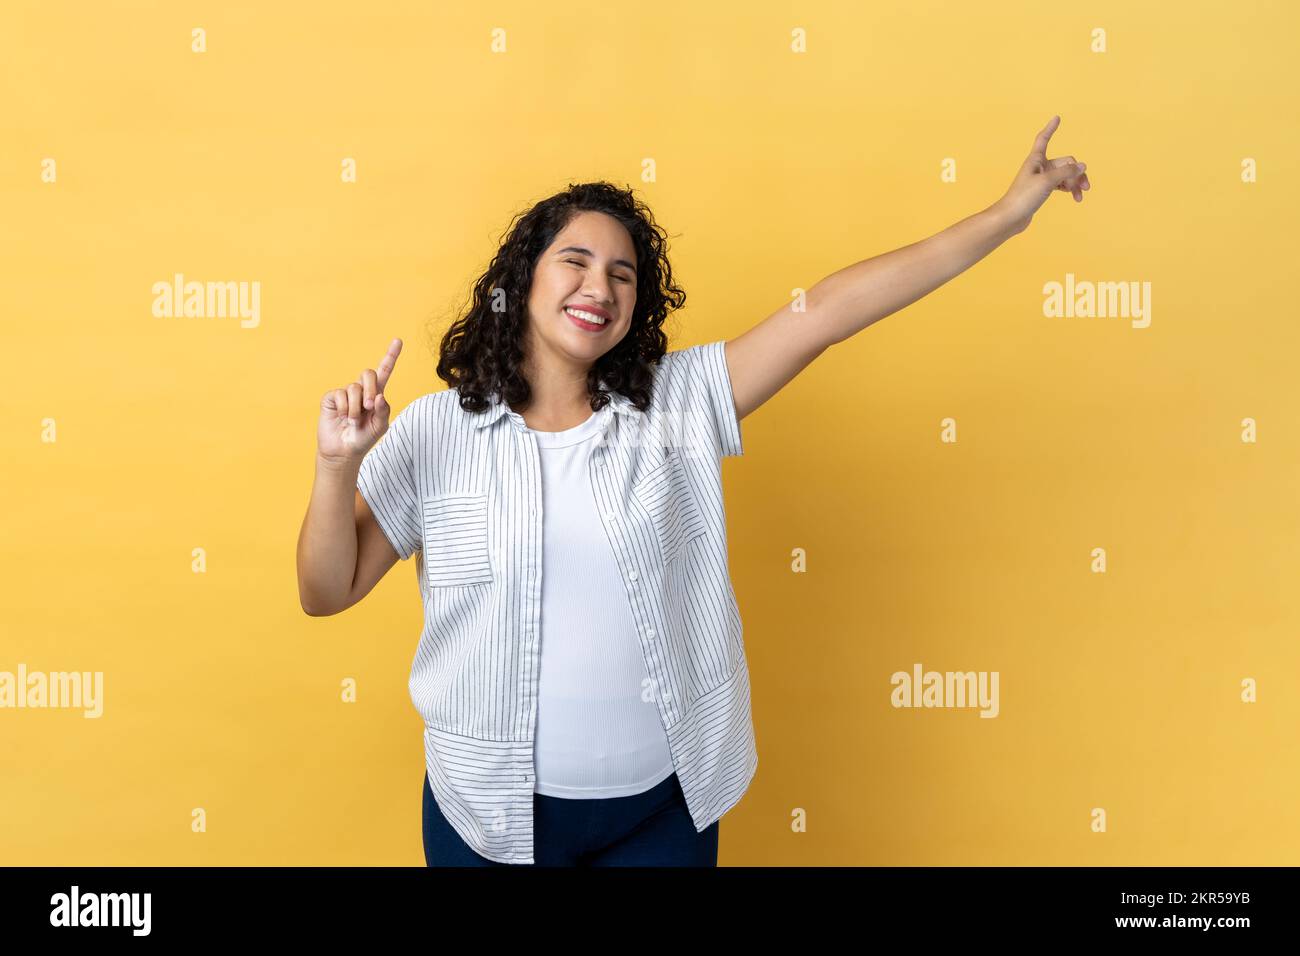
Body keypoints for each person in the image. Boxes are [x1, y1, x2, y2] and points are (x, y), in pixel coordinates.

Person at [295, 117, 1089, 866]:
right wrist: (337, 467)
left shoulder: (675, 405)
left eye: (622, 273)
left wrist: (1005, 217)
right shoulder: (436, 432)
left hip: (662, 814)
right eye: (574, 260)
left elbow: (828, 311)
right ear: (523, 278)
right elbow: (325, 591)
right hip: (487, 818)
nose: (598, 286)